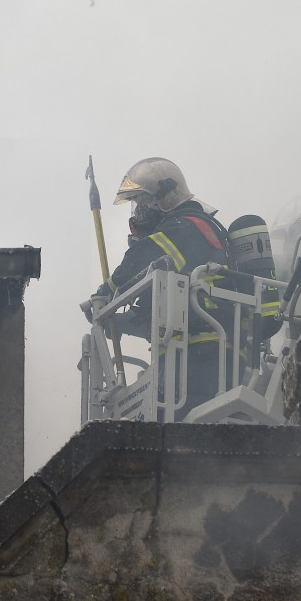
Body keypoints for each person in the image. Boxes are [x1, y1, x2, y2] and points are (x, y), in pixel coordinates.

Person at [88, 157, 231, 421]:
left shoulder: (184, 227)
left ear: (164, 196)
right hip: (200, 351)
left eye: (141, 200)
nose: (138, 209)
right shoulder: (197, 229)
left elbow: (143, 260)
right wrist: (121, 323)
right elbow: (157, 312)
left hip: (198, 357)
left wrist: (104, 295)